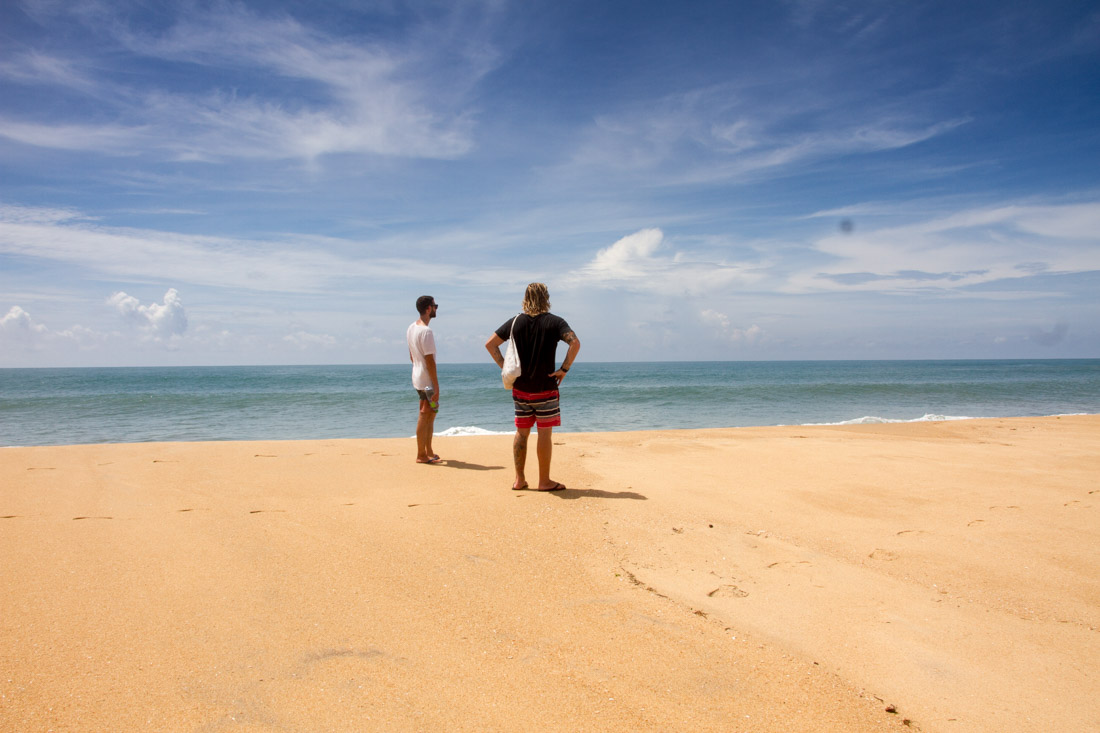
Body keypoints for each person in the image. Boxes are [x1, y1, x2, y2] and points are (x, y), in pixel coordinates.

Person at [485, 283, 580, 491]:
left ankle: (519, 480)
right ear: (546, 297)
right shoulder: (555, 322)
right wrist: (564, 369)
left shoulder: (515, 323)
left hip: (521, 389)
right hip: (546, 388)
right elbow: (575, 343)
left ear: (525, 297)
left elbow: (490, 344)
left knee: (521, 433)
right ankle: (544, 481)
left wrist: (505, 367)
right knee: (544, 434)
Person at [407, 295, 441, 464]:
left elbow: (412, 356)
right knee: (425, 413)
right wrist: (436, 385)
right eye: (435, 306)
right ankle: (421, 454)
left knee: (431, 412)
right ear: (428, 308)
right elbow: (430, 362)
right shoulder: (426, 332)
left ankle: (428, 451)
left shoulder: (412, 327)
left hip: (418, 377)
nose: (436, 308)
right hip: (426, 381)